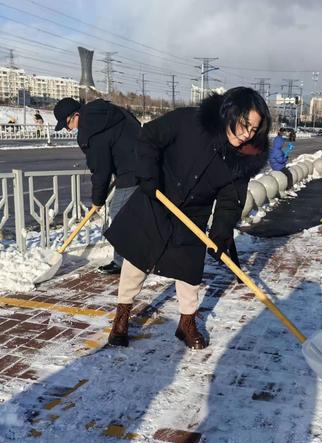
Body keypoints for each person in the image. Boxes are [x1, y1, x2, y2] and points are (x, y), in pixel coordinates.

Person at [103, 87, 271, 349]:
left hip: (193, 214)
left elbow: (230, 200)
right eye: (244, 125)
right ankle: (122, 316)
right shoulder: (189, 121)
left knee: (189, 272)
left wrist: (221, 234)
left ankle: (186, 323)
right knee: (136, 260)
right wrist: (148, 176)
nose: (247, 134)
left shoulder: (242, 157)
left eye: (254, 129)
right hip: (157, 197)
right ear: (230, 113)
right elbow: (148, 137)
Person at [53, 97, 141, 274]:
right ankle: (136, 258)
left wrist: (98, 200)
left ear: (75, 115)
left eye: (67, 123)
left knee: (118, 217)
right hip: (145, 161)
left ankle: (123, 263)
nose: (69, 128)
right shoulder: (107, 112)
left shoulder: (90, 130)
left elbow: (101, 169)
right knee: (137, 215)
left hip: (132, 172)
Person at [268, 127, 295, 193]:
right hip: (277, 166)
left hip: (274, 164)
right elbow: (281, 160)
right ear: (279, 144)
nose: (282, 144)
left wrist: (286, 152)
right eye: (282, 144)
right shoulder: (277, 151)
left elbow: (281, 155)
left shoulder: (274, 149)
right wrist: (285, 158)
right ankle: (289, 188)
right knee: (289, 174)